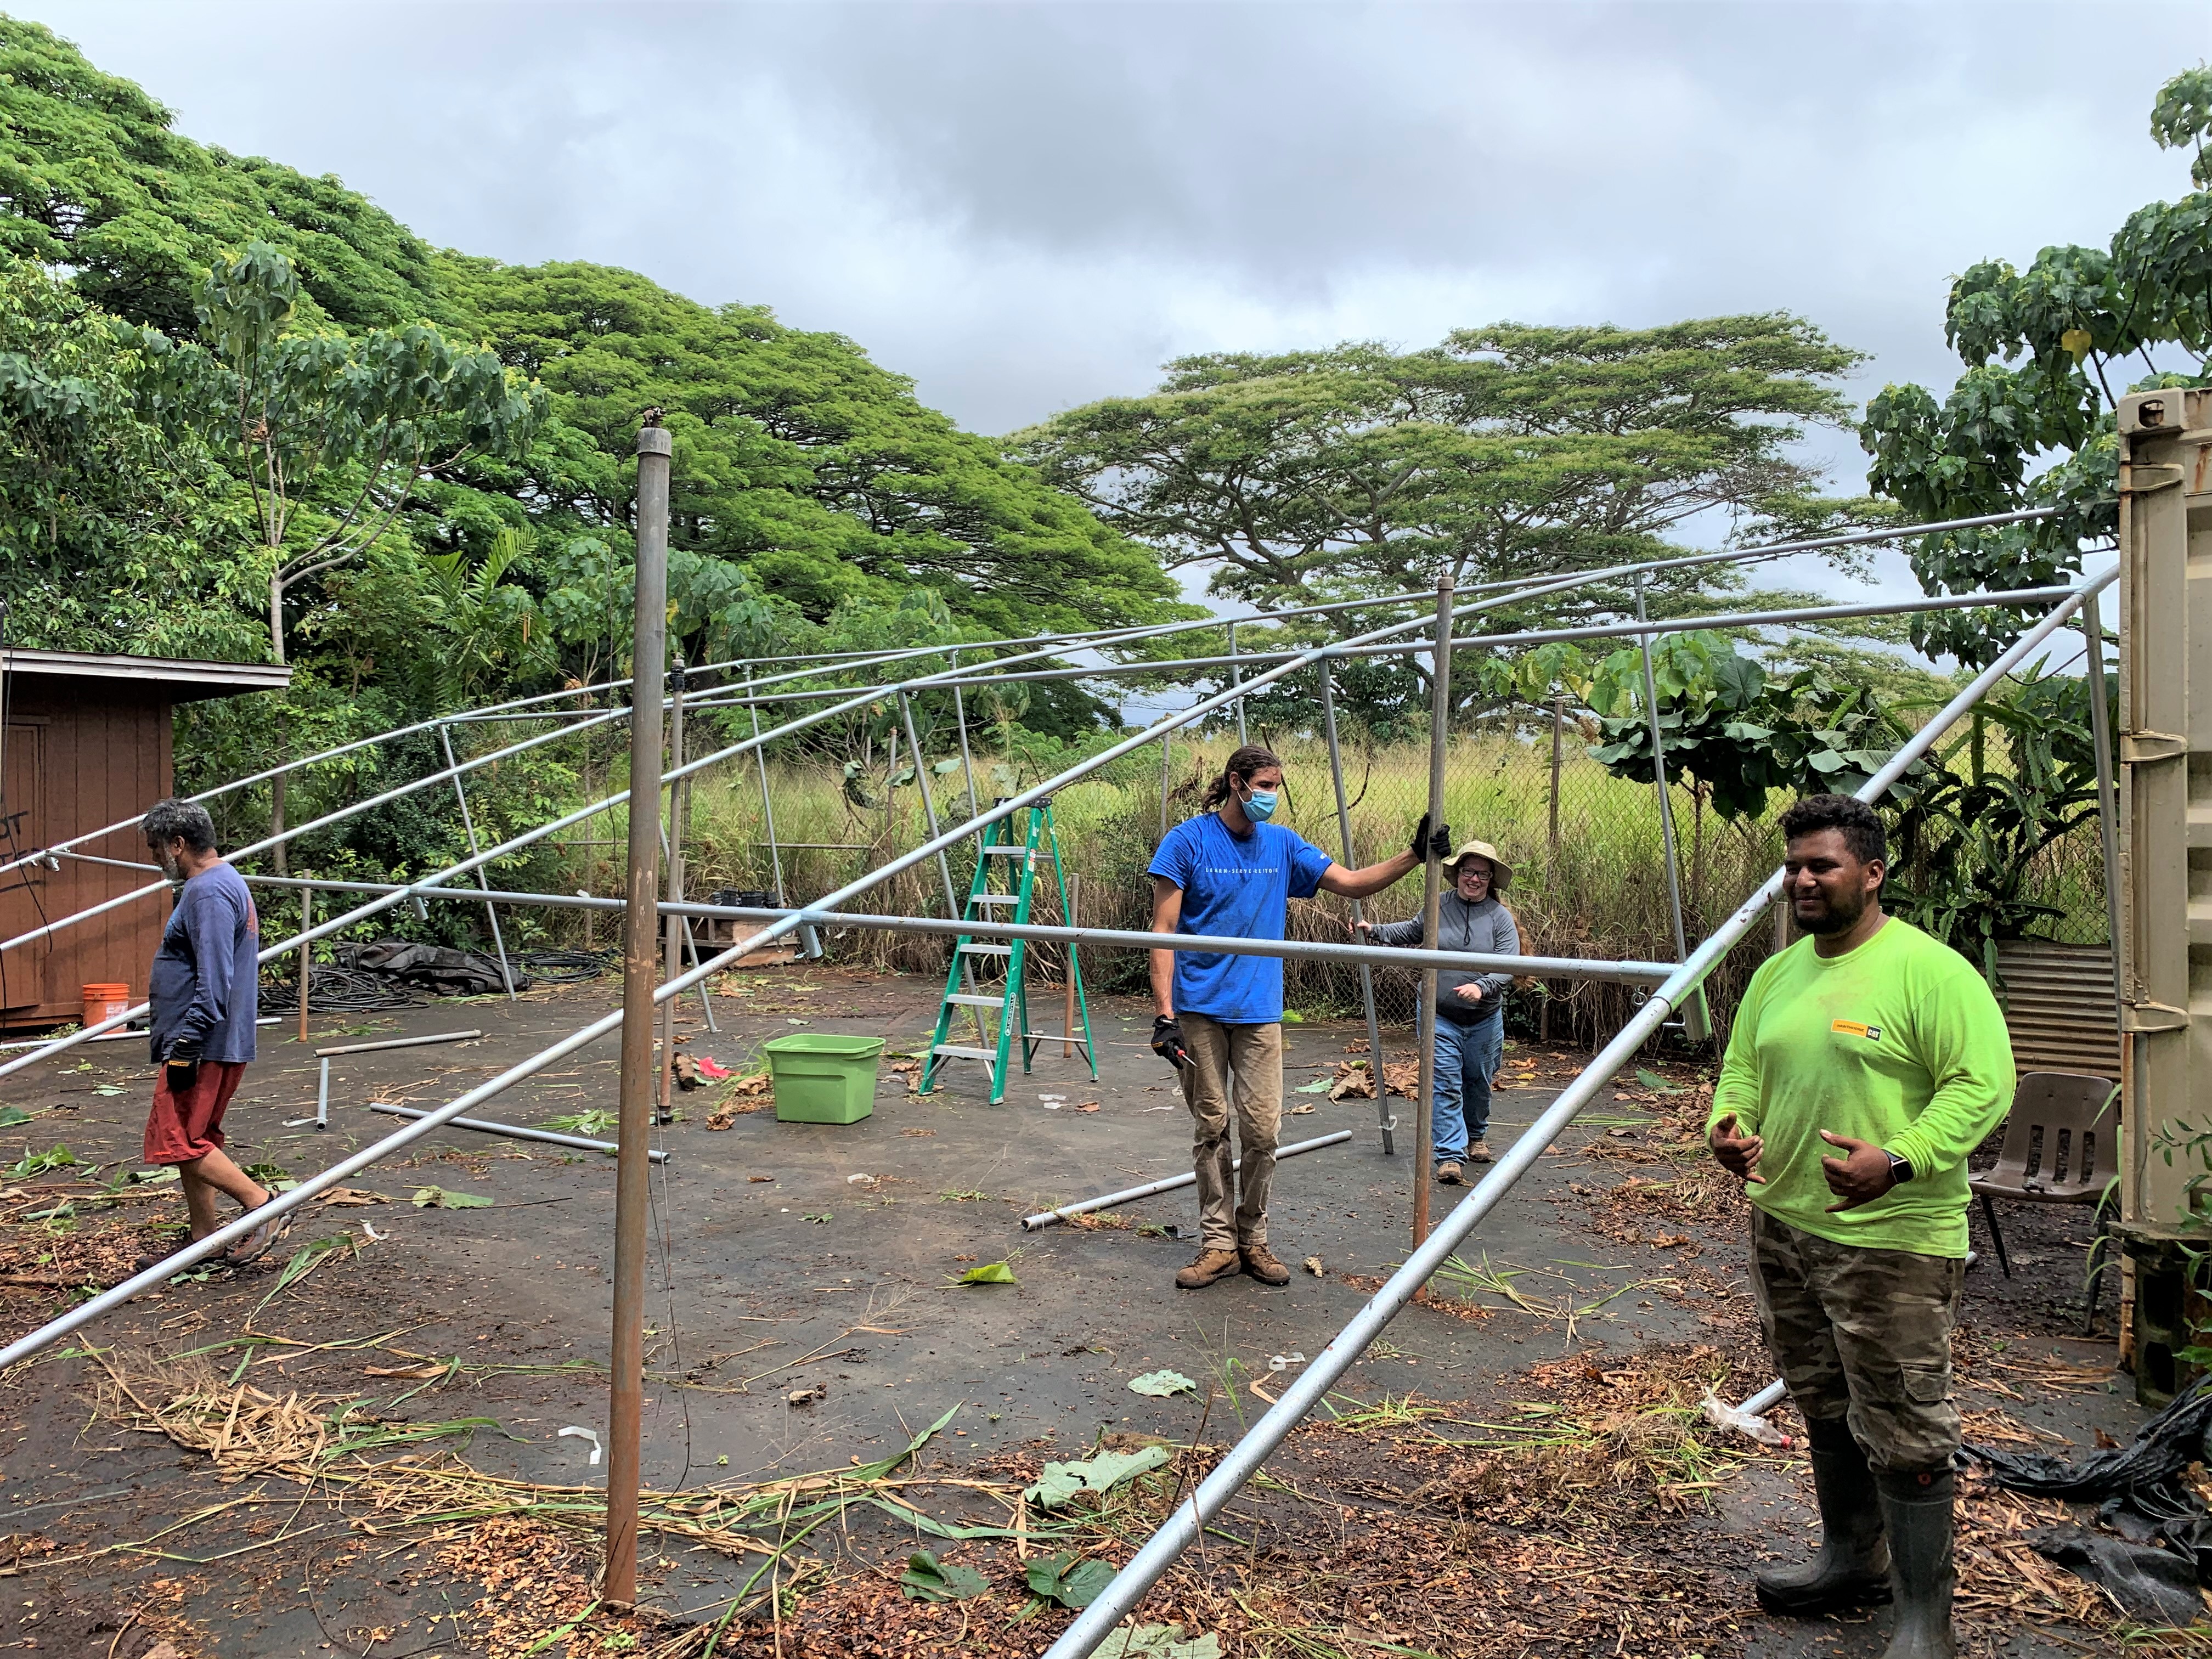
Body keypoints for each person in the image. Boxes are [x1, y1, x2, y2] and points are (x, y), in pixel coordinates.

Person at [1706, 794, 2011, 1659]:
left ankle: (1926, 1622)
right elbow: (1741, 1070)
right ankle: (1851, 1559)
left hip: (1892, 1239)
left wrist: (1902, 1157)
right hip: (1787, 1224)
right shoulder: (1779, 972)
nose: (1801, 880)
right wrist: (1725, 1130)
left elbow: (1983, 1085)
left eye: (1821, 866)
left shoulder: (1931, 972)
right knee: (1824, 1398)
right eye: (1793, 866)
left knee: (1906, 1421)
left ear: (1872, 874)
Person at [1149, 744, 1448, 1290]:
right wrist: (1164, 1015)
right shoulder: (1187, 842)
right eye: (1265, 785)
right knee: (1212, 1127)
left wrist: (1415, 853)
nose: (1271, 796)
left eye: (1276, 786)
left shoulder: (1282, 846)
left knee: (1263, 1131)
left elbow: (1352, 882)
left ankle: (1252, 1240)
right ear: (1236, 782)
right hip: (1198, 1011)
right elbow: (1162, 933)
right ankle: (1217, 1246)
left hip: (1260, 1012)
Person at [138, 798, 288, 1271]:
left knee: (174, 1140)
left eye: (155, 848)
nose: (154, 858)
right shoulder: (225, 883)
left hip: (202, 1042)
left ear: (178, 844)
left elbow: (215, 977)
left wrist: (187, 1042)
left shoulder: (205, 892)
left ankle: (263, 1204)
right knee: (195, 1137)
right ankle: (204, 1240)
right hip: (211, 1039)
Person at [1354, 839, 1520, 1184]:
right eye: (1469, 872)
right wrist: (1376, 932)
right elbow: (1412, 932)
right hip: (1438, 1013)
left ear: (1491, 881)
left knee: (1478, 1082)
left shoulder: (1500, 918)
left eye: (1483, 875)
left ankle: (1476, 1136)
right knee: (1444, 1082)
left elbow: (1508, 965)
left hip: (1483, 1018)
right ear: (1457, 873)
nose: (1474, 880)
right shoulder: (1439, 906)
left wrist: (1482, 986)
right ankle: (1449, 1155)